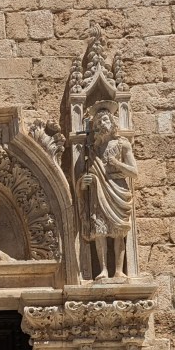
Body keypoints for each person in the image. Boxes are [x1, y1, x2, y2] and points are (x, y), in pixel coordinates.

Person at [78, 103, 137, 280]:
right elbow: (84, 173)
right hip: (99, 192)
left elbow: (134, 172)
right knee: (100, 231)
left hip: (118, 190)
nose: (101, 124)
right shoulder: (93, 150)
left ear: (112, 122)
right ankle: (103, 269)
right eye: (97, 122)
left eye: (104, 120)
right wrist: (83, 183)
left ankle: (119, 270)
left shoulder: (122, 144)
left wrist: (117, 163)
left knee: (119, 231)